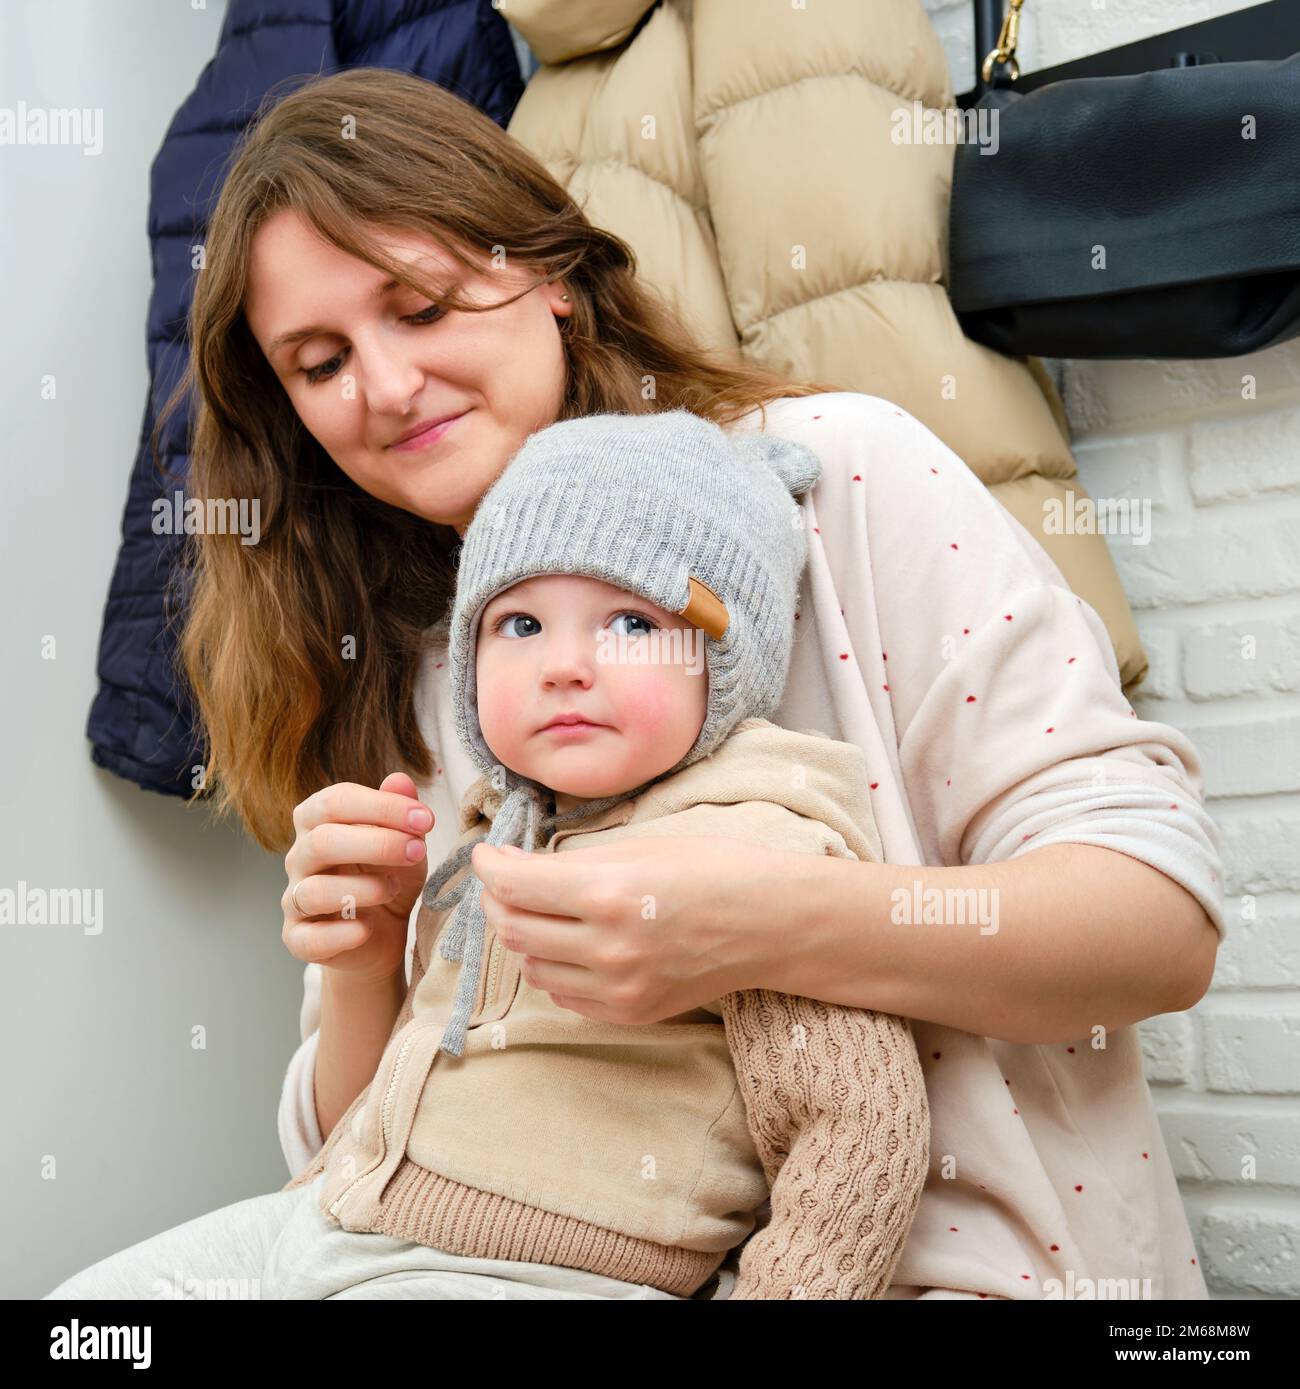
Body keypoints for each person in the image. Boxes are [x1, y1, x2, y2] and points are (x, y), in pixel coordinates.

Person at [50, 66, 1224, 1299]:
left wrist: (760, 927)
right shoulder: (417, 654)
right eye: (320, 360)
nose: (384, 388)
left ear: (551, 276)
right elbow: (366, 1168)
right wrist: (364, 956)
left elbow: (1156, 927)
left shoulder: (836, 479)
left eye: (425, 306)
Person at [281, 407, 930, 1300]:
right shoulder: (485, 838)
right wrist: (369, 956)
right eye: (520, 625)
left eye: (630, 624)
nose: (564, 665)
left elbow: (862, 1129)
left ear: (725, 656)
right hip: (335, 1221)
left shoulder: (755, 837)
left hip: (532, 1272)